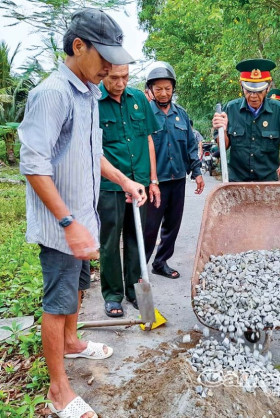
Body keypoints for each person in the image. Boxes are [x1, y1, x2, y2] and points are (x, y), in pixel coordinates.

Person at [18, 8, 145, 418]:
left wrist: (124, 181)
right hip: (62, 228)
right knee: (57, 301)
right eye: (103, 55)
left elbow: (92, 155)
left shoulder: (88, 93)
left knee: (76, 289)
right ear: (78, 46)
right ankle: (59, 392)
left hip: (81, 222)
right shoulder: (53, 93)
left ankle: (73, 343)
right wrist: (68, 223)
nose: (110, 66)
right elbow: (34, 164)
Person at [98, 64, 160, 317]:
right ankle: (113, 295)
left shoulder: (138, 99)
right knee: (110, 241)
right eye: (114, 78)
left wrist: (153, 180)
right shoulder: (93, 101)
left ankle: (135, 291)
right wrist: (120, 180)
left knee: (137, 239)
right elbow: (93, 149)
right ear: (103, 74)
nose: (121, 83)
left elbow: (147, 139)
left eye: (125, 77)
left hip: (140, 183)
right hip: (110, 185)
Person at [144, 62, 204, 279]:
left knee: (172, 225)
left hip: (177, 178)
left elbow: (190, 145)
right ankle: (140, 269)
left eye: (167, 88)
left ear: (173, 89)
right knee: (149, 228)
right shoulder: (144, 113)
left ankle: (161, 262)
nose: (163, 93)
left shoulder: (182, 115)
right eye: (158, 88)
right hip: (154, 182)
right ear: (150, 89)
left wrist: (196, 172)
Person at [212, 58, 280, 182]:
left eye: (259, 91)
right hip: (237, 183)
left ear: (268, 87)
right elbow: (224, 146)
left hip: (268, 184)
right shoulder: (230, 109)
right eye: (249, 90)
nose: (253, 96)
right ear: (241, 86)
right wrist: (222, 130)